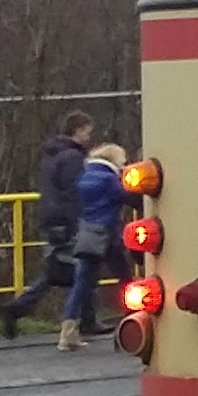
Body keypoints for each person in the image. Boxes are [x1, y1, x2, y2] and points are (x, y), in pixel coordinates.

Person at [0, 111, 96, 336]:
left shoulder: (54, 155)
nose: (89, 137)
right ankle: (86, 320)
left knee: (60, 270)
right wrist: (79, 221)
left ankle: (17, 308)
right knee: (83, 265)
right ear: (77, 130)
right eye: (87, 132)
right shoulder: (72, 158)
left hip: (52, 218)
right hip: (66, 221)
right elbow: (74, 193)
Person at [58, 139, 131, 352]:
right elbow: (126, 196)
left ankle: (67, 333)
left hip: (87, 234)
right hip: (108, 235)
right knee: (126, 281)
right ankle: (132, 324)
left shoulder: (85, 177)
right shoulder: (110, 179)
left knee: (80, 284)